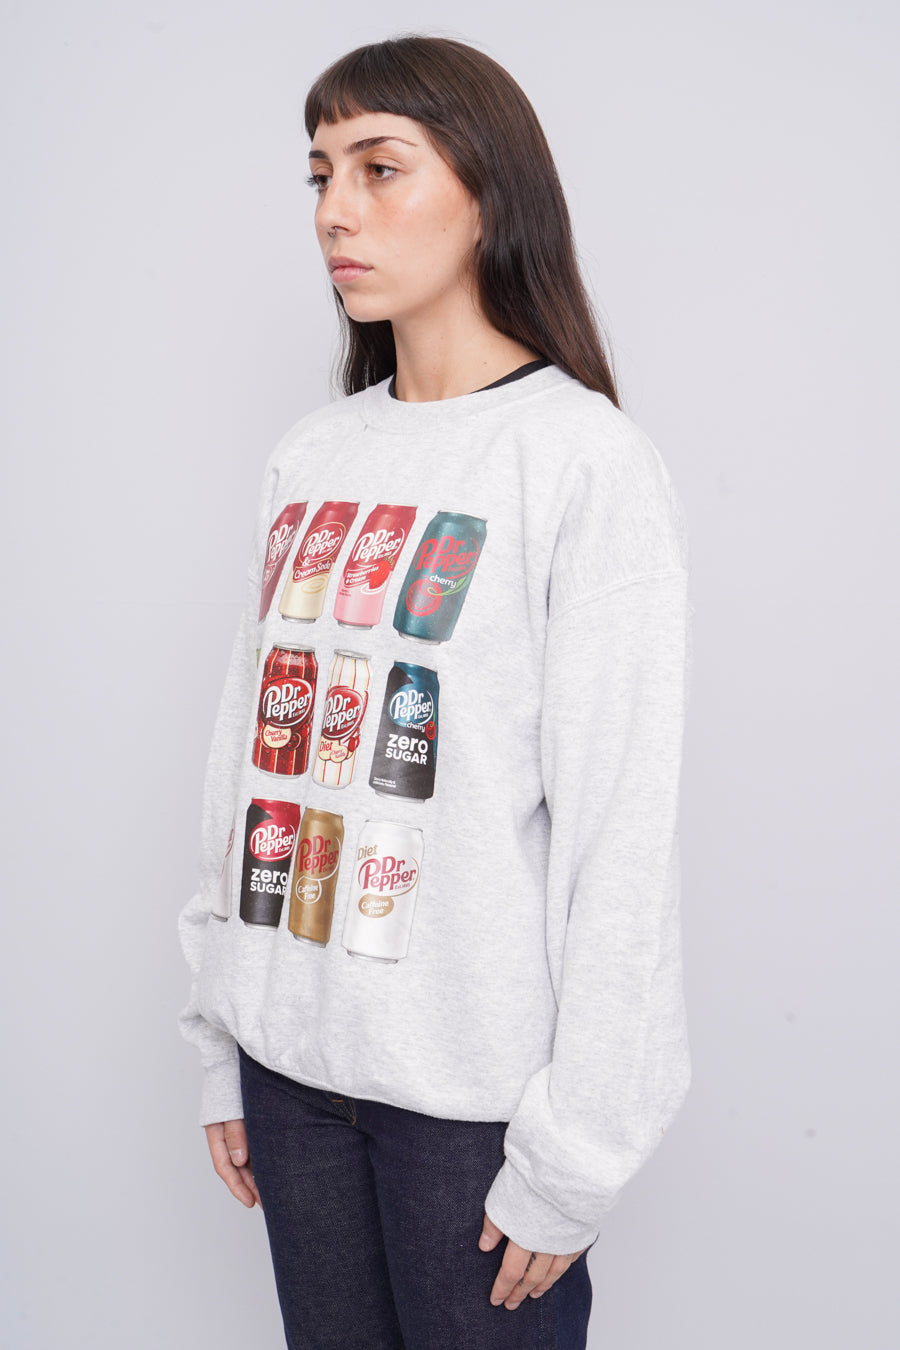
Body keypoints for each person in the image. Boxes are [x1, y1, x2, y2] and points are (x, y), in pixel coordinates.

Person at [178, 33, 692, 1350]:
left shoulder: (579, 462)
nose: (334, 211)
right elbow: (252, 758)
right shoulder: (312, 455)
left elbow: (621, 833)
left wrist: (578, 1150)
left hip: (468, 1106)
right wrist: (222, 1034)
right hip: (293, 1078)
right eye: (320, 174)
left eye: (379, 166)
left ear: (487, 190)